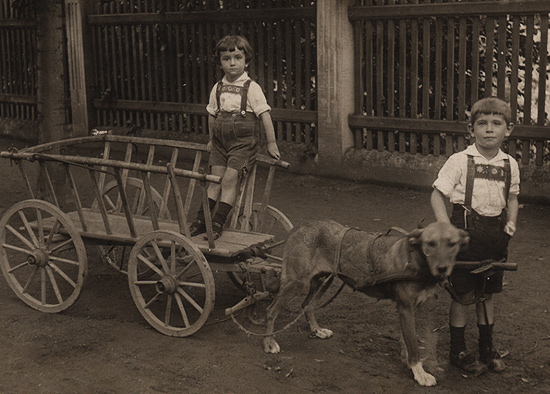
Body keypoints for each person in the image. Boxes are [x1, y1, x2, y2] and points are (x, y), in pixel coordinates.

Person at [431, 97, 520, 375]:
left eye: (496, 123)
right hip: (466, 238)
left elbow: (513, 197)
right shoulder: (460, 161)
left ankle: (486, 347)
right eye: (482, 123)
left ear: (509, 129)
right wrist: (447, 228)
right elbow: (436, 195)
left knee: (487, 295)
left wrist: (512, 220)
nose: (489, 129)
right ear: (471, 130)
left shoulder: (510, 164)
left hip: (495, 240)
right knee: (463, 294)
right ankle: (457, 349)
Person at [189, 35, 280, 239]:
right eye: (226, 58)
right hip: (220, 143)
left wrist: (271, 143)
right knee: (215, 180)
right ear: (220, 63)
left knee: (230, 180)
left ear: (246, 61)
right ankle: (200, 221)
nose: (232, 63)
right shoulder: (218, 87)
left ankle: (218, 222)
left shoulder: (252, 88)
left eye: (237, 58)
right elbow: (212, 115)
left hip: (242, 144)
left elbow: (265, 116)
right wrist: (212, 139)